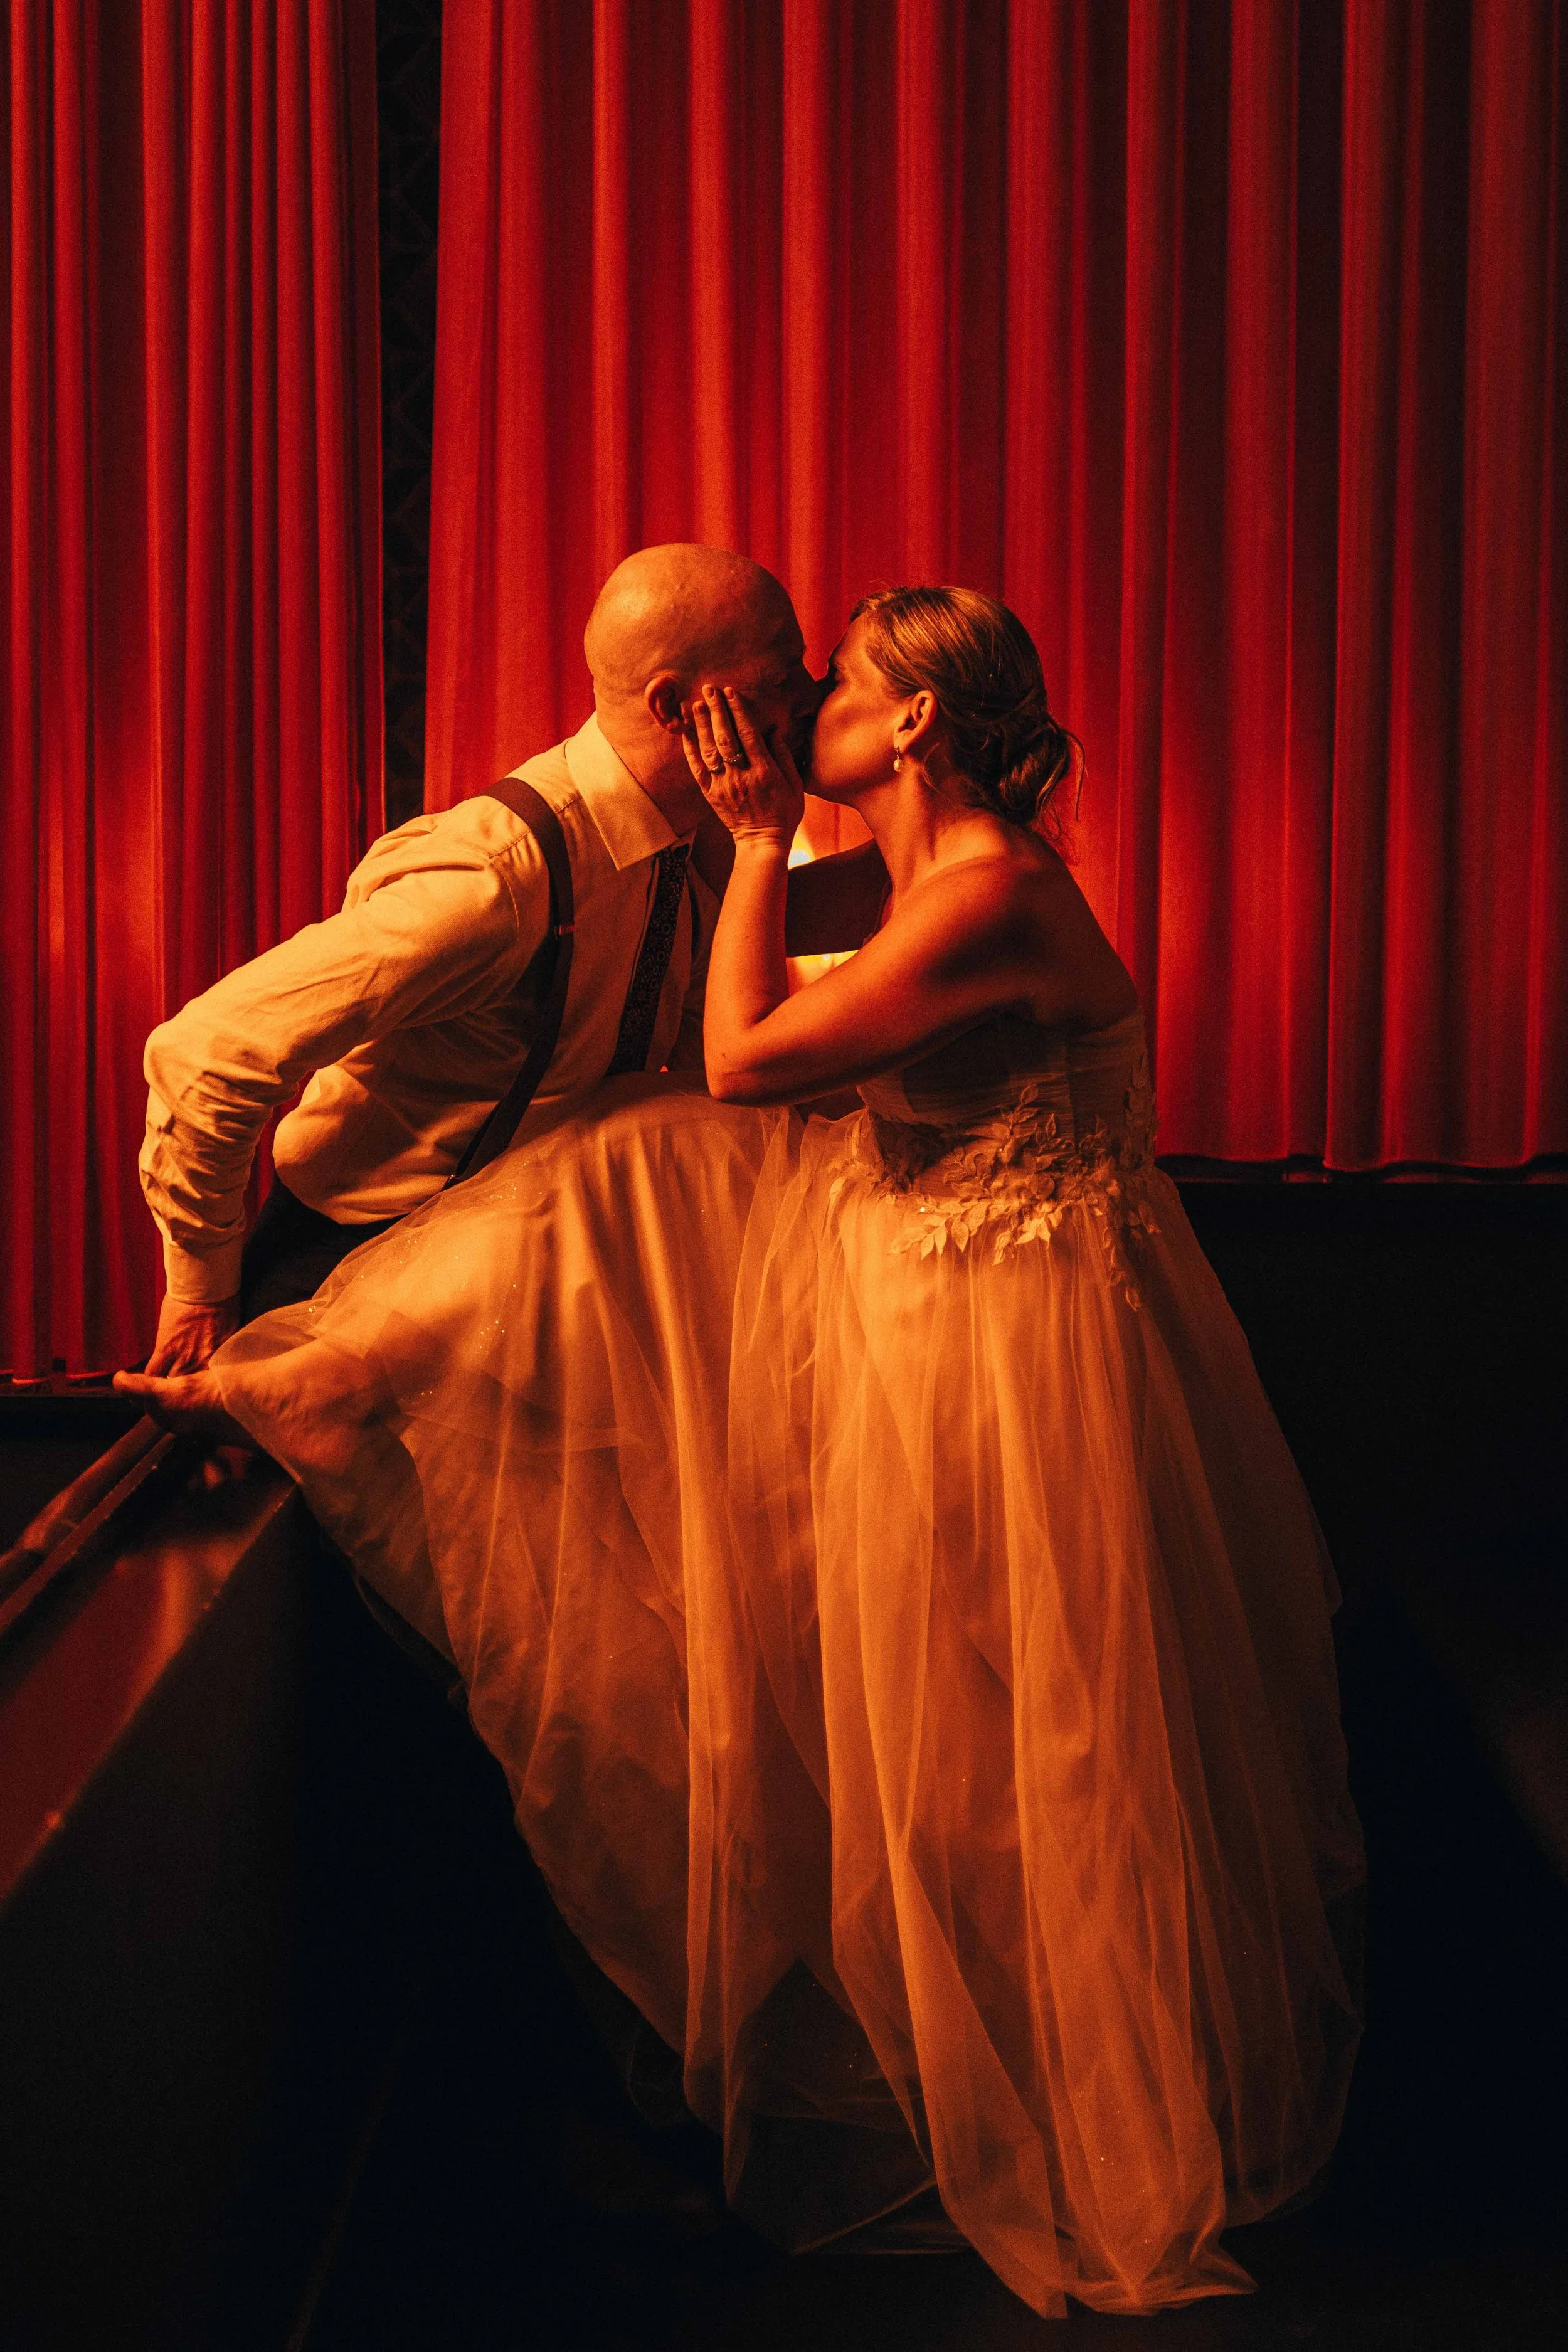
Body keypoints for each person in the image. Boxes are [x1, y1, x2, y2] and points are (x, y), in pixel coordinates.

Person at [120, 586, 1365, 2320]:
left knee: (1026, 1729)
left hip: (1001, 1344)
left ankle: (1081, 2114)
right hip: (870, 1314)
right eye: (786, 681)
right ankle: (941, 2079)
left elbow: (740, 1055)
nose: (797, 712)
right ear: (694, 698)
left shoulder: (964, 886)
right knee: (889, 1723)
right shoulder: (530, 868)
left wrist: (765, 839)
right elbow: (231, 1055)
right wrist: (211, 1293)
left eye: (831, 680)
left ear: (911, 725)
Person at [135, 543, 817, 1369]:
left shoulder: (691, 839)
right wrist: (204, 1288)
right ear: (676, 706)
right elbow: (206, 1054)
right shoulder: (496, 882)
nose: (807, 697)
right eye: (782, 676)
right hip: (343, 1276)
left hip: (503, 1285)